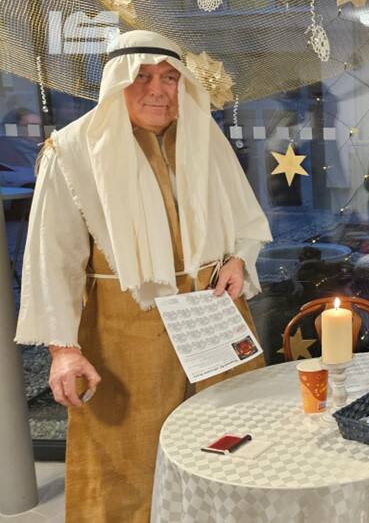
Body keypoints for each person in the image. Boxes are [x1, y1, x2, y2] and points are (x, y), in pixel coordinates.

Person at [14, 30, 273, 521]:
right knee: (131, 462)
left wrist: (237, 258)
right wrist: (63, 350)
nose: (158, 90)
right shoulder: (72, 150)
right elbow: (53, 259)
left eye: (170, 78)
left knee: (233, 445)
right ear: (116, 82)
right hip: (126, 333)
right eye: (143, 77)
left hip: (213, 318)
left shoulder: (204, 137)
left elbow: (244, 217)